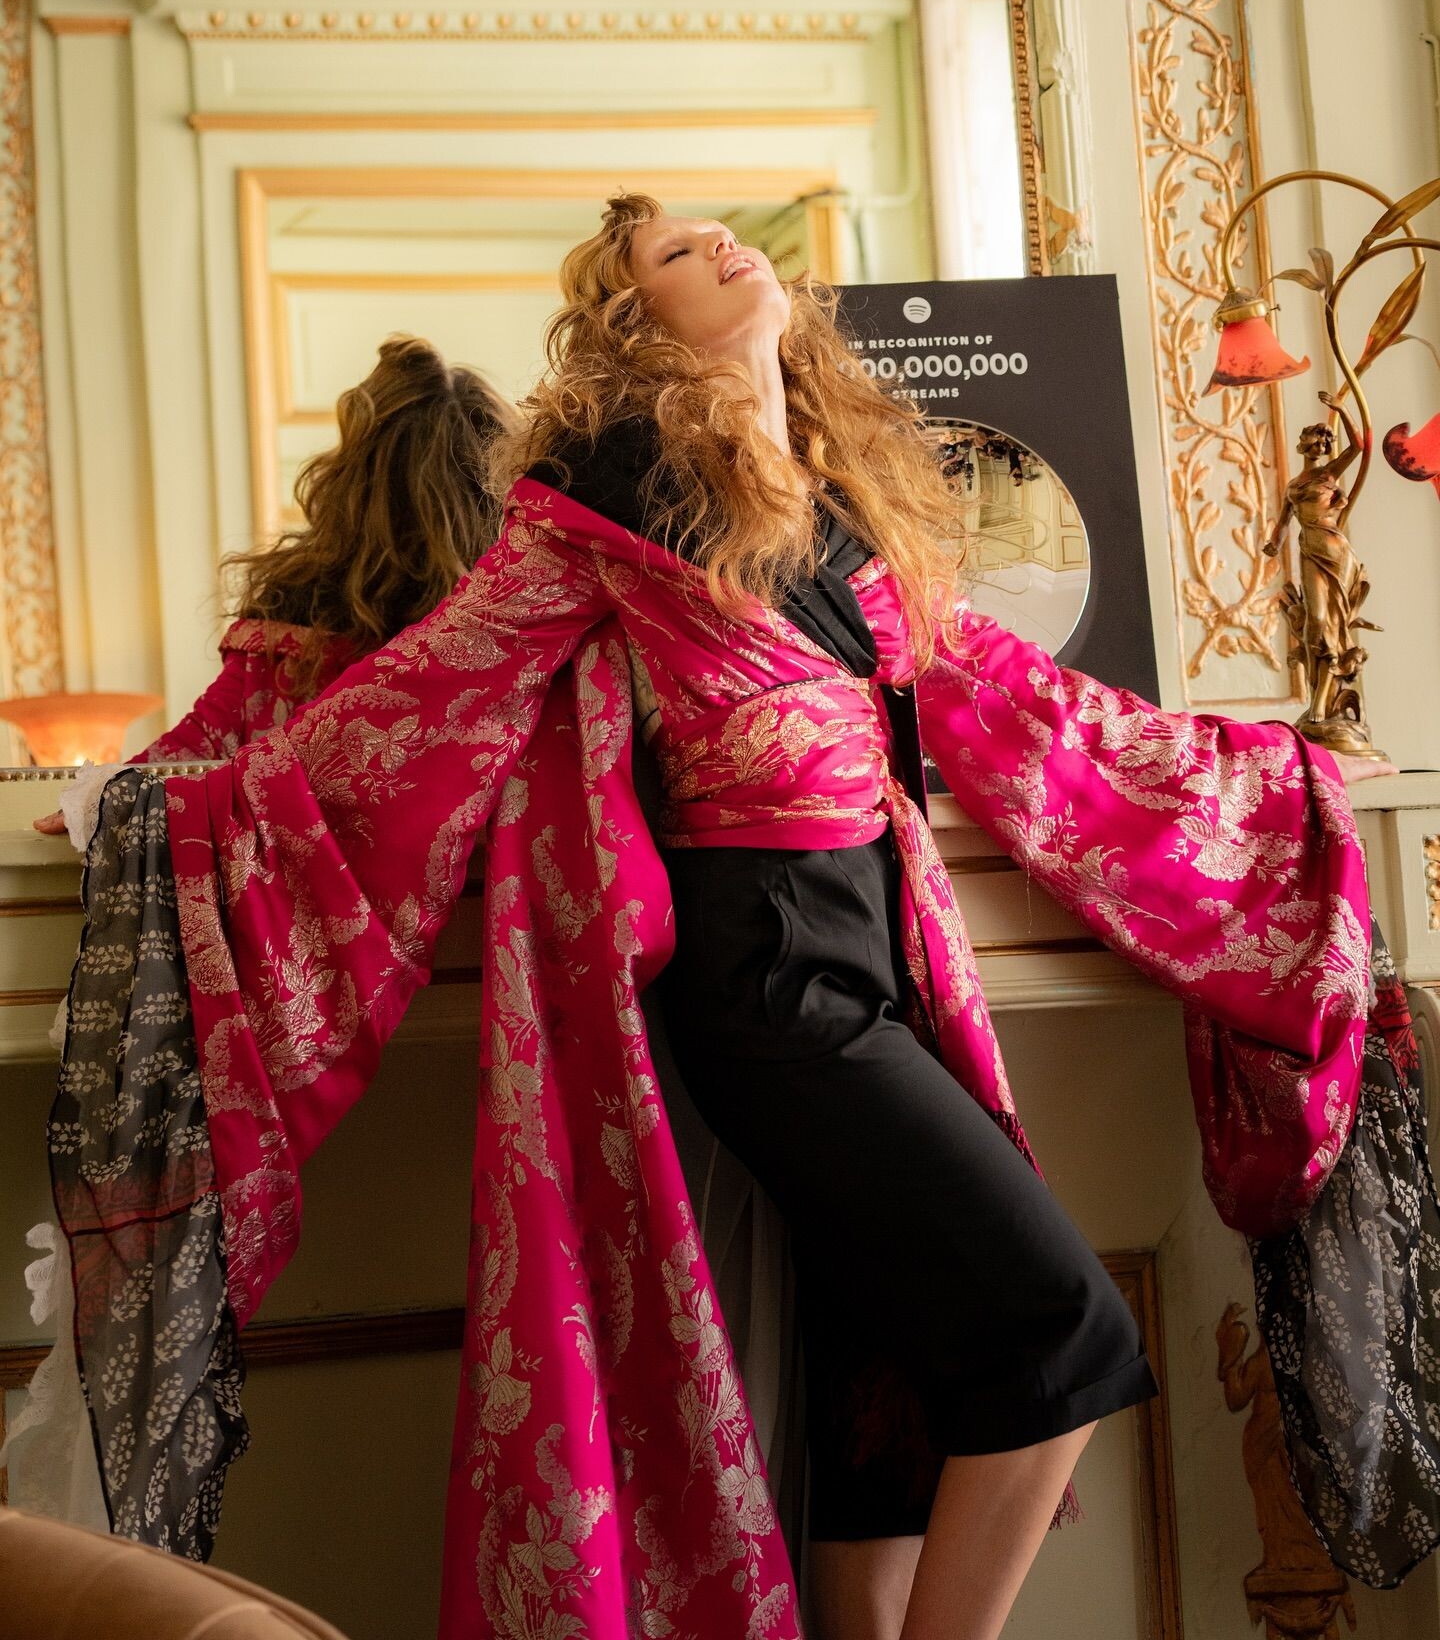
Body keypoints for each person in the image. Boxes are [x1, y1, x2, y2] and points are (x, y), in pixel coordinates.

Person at [52, 197, 1386, 1640]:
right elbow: (437, 680)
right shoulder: (610, 486)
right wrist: (183, 798)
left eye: (721, 233)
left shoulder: (836, 494)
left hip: (881, 962)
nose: (726, 248)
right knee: (1065, 1339)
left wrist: (1272, 767)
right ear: (635, 328)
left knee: (880, 1418)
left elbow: (1012, 695)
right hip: (772, 985)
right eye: (676, 255)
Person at [33, 335, 512, 825]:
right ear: (498, 494)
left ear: (350, 485)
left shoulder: (284, 634)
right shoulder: (519, 649)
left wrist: (99, 804)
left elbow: (186, 756)